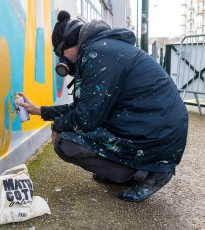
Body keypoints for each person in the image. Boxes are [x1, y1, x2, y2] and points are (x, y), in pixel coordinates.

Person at [17, 10, 188, 203]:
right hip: (155, 128)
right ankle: (129, 170)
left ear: (68, 46)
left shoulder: (96, 54)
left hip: (156, 135)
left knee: (65, 140)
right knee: (75, 128)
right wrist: (40, 111)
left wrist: (57, 125)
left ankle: (144, 173)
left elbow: (85, 119)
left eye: (60, 53)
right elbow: (82, 108)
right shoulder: (103, 48)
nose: (62, 60)